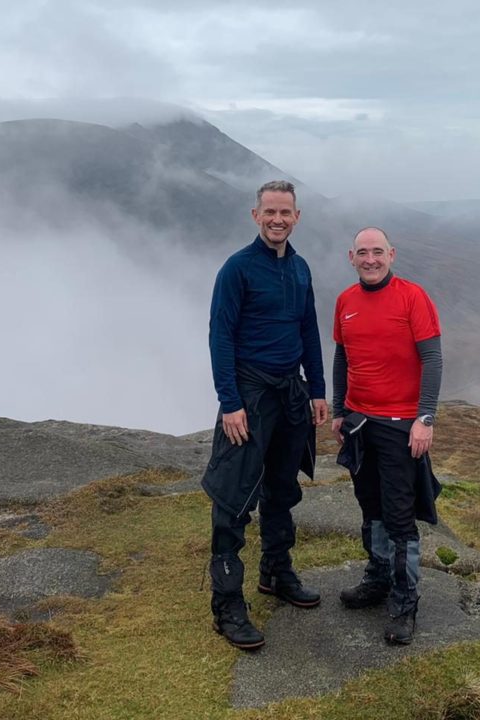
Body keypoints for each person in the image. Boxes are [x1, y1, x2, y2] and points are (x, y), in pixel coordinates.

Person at [202, 180, 330, 650]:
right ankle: (227, 604)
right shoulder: (237, 269)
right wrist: (230, 402)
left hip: (290, 394)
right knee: (234, 496)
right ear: (255, 216)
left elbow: (308, 331)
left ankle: (276, 573)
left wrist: (317, 390)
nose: (278, 219)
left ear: (297, 217)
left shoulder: (299, 269)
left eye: (286, 213)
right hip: (250, 394)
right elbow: (220, 336)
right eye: (270, 212)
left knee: (282, 488)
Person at [331, 226, 443, 645]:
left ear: (391, 254)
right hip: (359, 422)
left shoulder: (413, 297)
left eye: (378, 252)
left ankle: (404, 601)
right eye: (363, 253)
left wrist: (425, 418)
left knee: (398, 516)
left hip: (399, 425)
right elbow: (343, 356)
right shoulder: (345, 301)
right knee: (370, 506)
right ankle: (377, 578)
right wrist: (340, 411)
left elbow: (432, 359)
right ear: (352, 256)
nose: (371, 259)